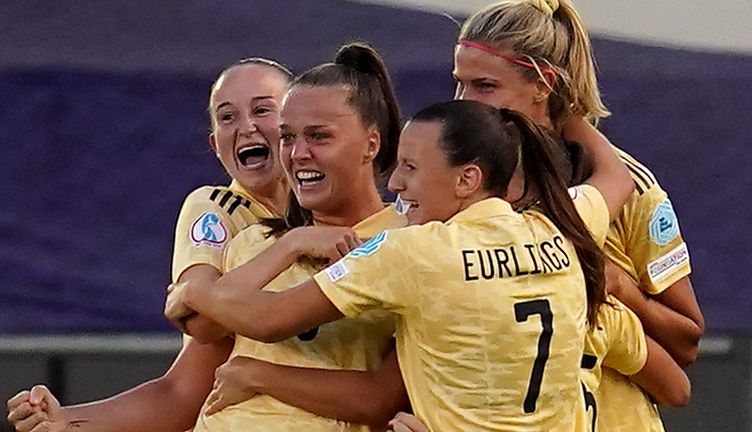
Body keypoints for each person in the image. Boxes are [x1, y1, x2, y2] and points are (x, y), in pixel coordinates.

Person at [165, 99, 636, 431]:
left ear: (467, 179)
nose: (396, 182)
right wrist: (562, 104)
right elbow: (616, 175)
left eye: (411, 167)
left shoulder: (412, 252)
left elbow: (266, 320)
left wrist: (193, 290)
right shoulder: (558, 227)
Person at [5, 58, 296, 432]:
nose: (247, 127)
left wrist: (196, 293)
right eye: (227, 117)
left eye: (262, 110)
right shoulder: (217, 210)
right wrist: (68, 421)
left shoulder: (358, 225)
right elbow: (186, 378)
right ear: (215, 144)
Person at [452, 1, 702, 430]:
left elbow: (686, 344)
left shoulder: (628, 187)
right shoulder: (453, 181)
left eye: (484, 86)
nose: (463, 102)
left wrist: (620, 287)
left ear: (543, 84)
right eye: (459, 84)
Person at [168, 42, 411, 432]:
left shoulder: (407, 243)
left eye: (318, 136)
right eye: (287, 137)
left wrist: (252, 371)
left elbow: (378, 399)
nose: (298, 154)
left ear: (372, 143)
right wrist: (292, 243)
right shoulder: (253, 241)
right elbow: (203, 327)